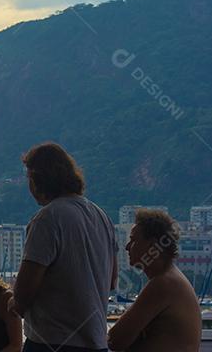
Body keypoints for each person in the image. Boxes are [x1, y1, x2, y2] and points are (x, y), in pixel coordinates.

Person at [11, 142, 117, 352]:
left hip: (51, 342)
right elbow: (112, 281)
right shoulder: (102, 216)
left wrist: (13, 302)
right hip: (96, 343)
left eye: (29, 178)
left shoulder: (47, 218)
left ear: (38, 180)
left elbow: (24, 293)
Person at [108, 209, 201, 351]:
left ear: (151, 245)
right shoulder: (172, 279)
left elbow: (115, 340)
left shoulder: (163, 284)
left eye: (133, 240)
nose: (127, 247)